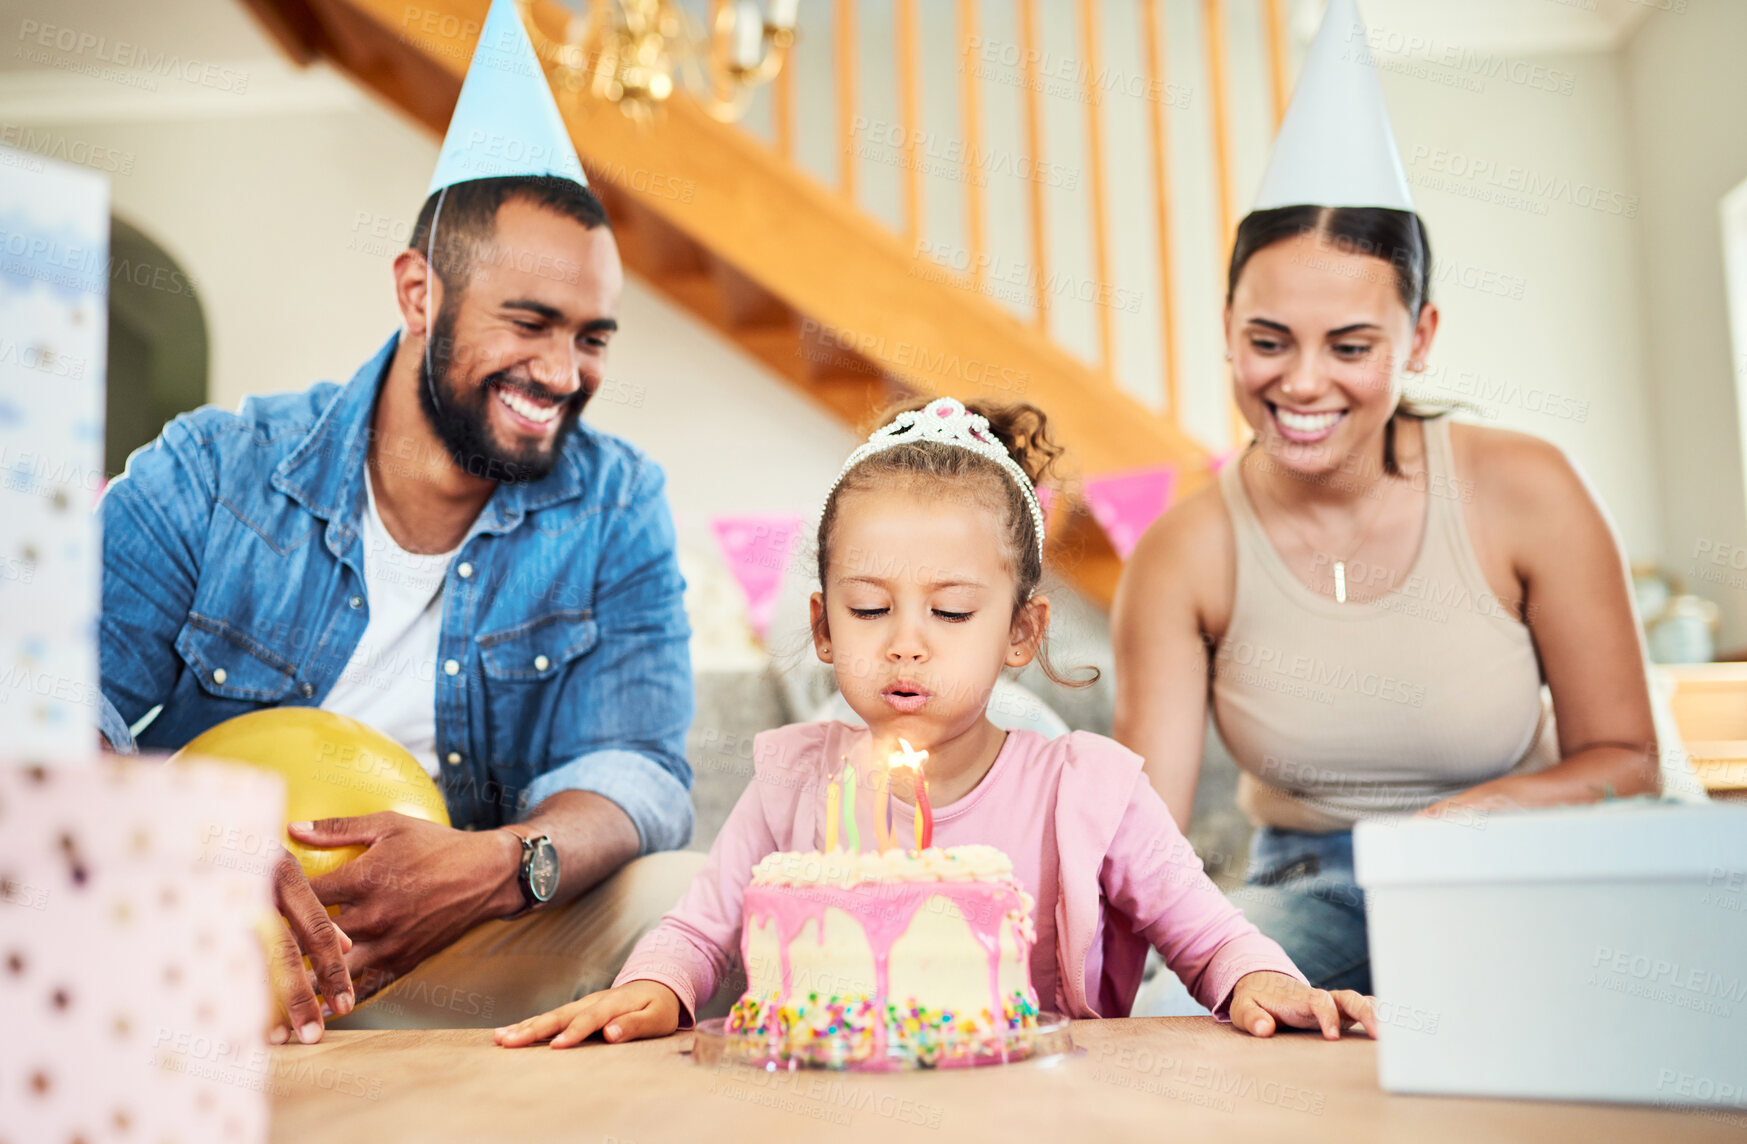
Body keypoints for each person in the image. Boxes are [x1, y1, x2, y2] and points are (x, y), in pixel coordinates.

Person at [96, 0, 701, 1040]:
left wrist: (507, 864)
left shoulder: (615, 502)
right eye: (530, 322)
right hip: (187, 924)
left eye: (592, 336)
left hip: (451, 944)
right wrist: (185, 835)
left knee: (674, 895)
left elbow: (638, 766)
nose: (563, 373)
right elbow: (43, 699)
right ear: (420, 293)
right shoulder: (213, 471)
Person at [495, 397, 1377, 1050]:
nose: (906, 645)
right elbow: (698, 927)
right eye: (870, 608)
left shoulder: (1088, 789)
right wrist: (654, 987)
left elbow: (1208, 934)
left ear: (1021, 631)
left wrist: (1266, 983)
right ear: (822, 628)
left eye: (951, 613)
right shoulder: (794, 778)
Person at [1112, 0, 1657, 1000]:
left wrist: (1468, 822)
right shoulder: (1182, 551)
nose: (1302, 383)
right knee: (1169, 1020)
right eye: (1267, 340)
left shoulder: (1526, 490)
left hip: (1527, 874)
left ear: (1419, 338)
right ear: (1227, 329)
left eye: (1351, 346)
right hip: (1310, 890)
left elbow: (1625, 762)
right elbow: (1140, 831)